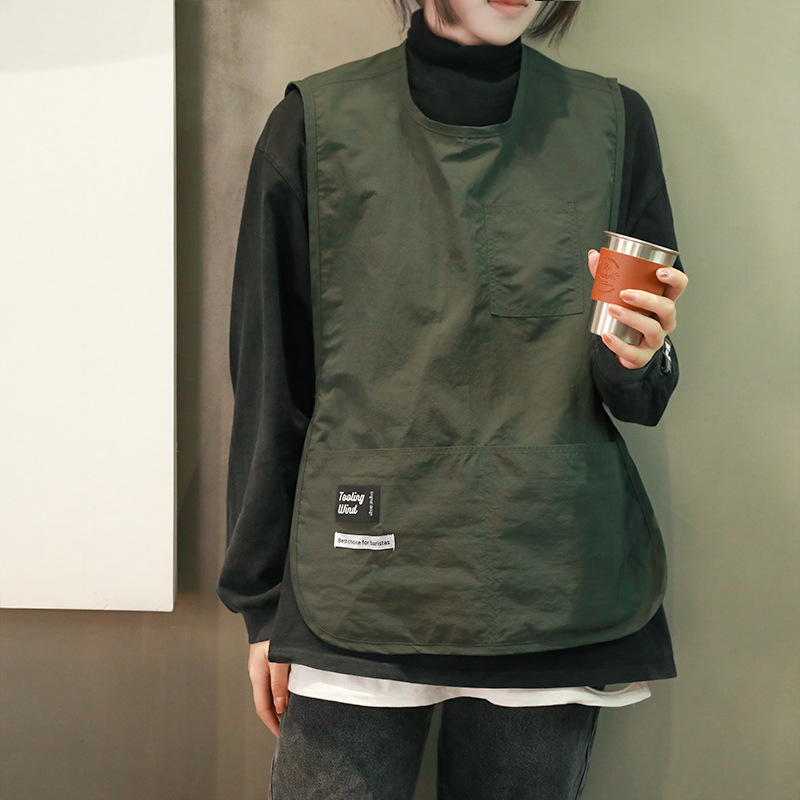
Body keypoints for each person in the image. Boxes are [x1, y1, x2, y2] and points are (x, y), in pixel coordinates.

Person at [218, 1, 689, 797]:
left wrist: (640, 357)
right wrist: (263, 606)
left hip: (548, 573)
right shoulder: (314, 125)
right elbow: (271, 380)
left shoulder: (613, 123)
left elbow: (637, 392)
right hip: (358, 585)